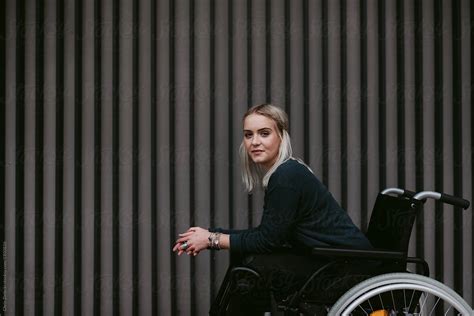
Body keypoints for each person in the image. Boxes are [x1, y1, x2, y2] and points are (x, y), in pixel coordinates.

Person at [172, 104, 373, 315]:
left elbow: (267, 240)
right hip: (328, 259)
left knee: (253, 269)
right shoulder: (286, 171)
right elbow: (268, 234)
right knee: (248, 260)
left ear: (281, 136)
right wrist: (210, 235)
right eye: (248, 135)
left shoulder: (287, 176)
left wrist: (212, 239)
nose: (255, 142)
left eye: (264, 133)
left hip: (345, 268)